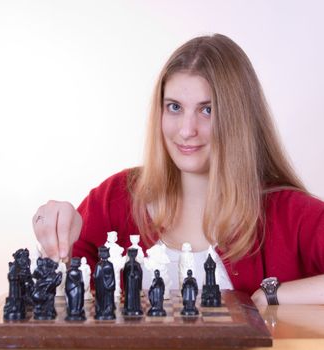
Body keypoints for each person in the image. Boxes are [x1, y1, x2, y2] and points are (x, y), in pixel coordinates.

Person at [32, 33, 324, 306]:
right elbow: (63, 285)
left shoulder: (288, 214)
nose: (187, 130)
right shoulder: (114, 198)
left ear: (238, 120)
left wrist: (270, 296)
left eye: (207, 110)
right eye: (174, 107)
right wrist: (56, 232)